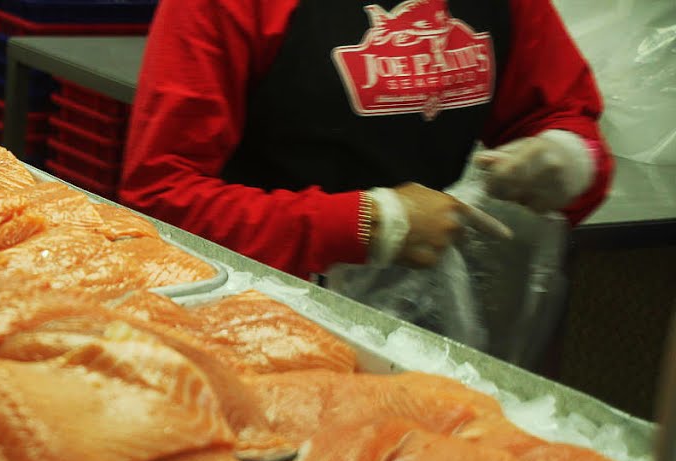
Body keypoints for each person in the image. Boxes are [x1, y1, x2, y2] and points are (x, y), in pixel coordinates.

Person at [118, 0, 613, 282]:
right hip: (258, 301)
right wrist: (370, 224)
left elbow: (562, 111)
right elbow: (163, 197)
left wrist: (570, 158)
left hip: (428, 324)